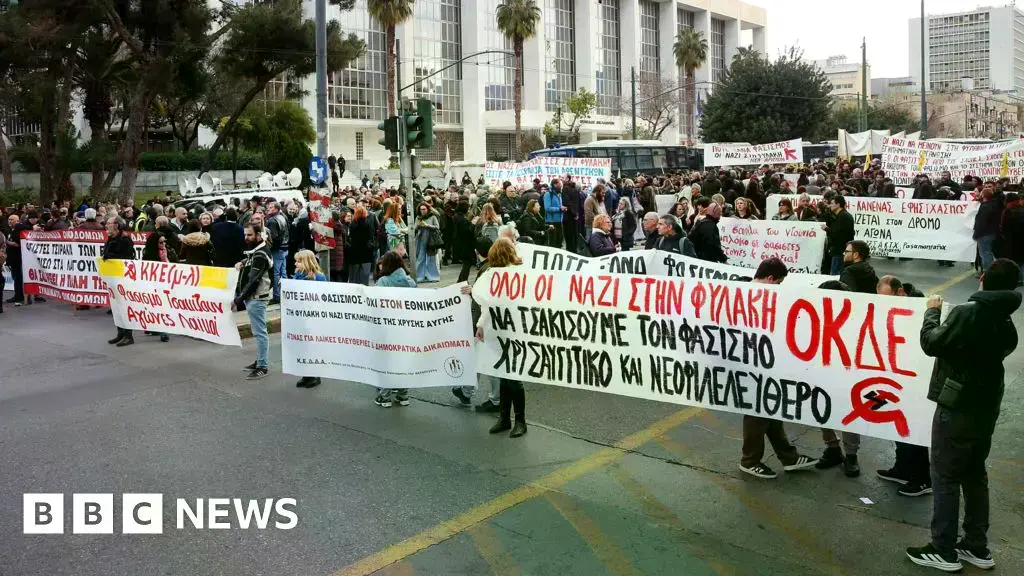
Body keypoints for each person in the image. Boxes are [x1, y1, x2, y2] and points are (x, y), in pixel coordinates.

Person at [906, 258, 1021, 572]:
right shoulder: (1005, 317)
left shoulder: (968, 313)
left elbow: (931, 343)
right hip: (985, 407)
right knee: (974, 474)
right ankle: (975, 545)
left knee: (944, 476)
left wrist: (931, 312)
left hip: (958, 405)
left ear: (982, 278)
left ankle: (943, 548)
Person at [739, 257, 819, 478]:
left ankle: (789, 457)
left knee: (770, 409)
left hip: (765, 363)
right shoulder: (755, 296)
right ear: (771, 278)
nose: (780, 288)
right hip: (754, 365)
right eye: (779, 283)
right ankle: (750, 460)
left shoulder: (744, 291)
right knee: (757, 413)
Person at [875, 276, 932, 497]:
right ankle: (902, 468)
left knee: (912, 431)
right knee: (898, 427)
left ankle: (922, 479)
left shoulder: (920, 309)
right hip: (895, 377)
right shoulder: (897, 306)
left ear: (900, 293)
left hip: (912, 380)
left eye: (887, 298)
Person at [475, 238, 528, 438]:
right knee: (504, 375)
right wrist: (481, 325)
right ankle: (505, 418)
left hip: (512, 331)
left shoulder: (516, 275)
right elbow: (487, 305)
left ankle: (520, 421)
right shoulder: (492, 275)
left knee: (513, 377)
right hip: (501, 331)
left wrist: (480, 326)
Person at [372, 251, 417, 408]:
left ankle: (384, 397)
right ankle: (403, 395)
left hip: (387, 328)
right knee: (401, 361)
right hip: (405, 329)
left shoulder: (383, 281)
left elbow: (375, 304)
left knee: (386, 362)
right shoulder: (410, 282)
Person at [235, 223, 273, 380]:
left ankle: (262, 366)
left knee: (260, 333)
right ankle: (260, 361)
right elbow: (251, 258)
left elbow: (254, 281)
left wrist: (240, 298)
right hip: (255, 298)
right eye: (245, 235)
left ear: (258, 235)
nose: (246, 238)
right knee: (258, 332)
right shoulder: (257, 251)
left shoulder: (259, 254)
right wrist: (243, 262)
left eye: (249, 235)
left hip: (257, 298)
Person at [292, 249, 326, 388]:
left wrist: (313, 282)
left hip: (313, 318)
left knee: (312, 347)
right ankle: (306, 374)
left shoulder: (319, 277)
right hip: (301, 316)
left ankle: (315, 375)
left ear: (306, 262)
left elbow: (324, 296)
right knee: (303, 347)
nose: (296, 264)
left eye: (299, 261)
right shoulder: (298, 275)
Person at [102, 216, 137, 347]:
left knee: (124, 307)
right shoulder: (111, 237)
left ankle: (129, 335)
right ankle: (120, 333)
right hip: (113, 277)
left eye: (109, 223)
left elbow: (125, 257)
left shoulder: (125, 239)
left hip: (122, 277)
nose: (106, 225)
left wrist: (109, 256)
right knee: (116, 307)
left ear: (117, 225)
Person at [973, 181, 1002, 275]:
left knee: (985, 254)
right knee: (988, 253)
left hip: (984, 234)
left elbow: (981, 222)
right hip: (991, 233)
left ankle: (987, 272)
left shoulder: (985, 207)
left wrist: (976, 234)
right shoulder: (993, 204)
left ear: (984, 196)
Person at [265, 202, 289, 303]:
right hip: (285, 248)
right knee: (283, 273)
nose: (268, 209)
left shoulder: (272, 220)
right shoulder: (282, 217)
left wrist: (271, 247)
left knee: (276, 273)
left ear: (276, 209)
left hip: (278, 249)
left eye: (271, 207)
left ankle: (277, 296)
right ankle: (287, 294)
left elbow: (273, 237)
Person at [825, 194, 855, 275]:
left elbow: (837, 234)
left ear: (838, 204)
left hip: (839, 251)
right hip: (840, 250)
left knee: (835, 275)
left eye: (832, 203)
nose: (830, 206)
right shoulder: (842, 215)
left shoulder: (843, 216)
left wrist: (826, 229)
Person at [346, 205, 375, 285]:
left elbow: (350, 237)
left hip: (354, 251)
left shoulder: (352, 224)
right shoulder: (368, 224)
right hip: (366, 251)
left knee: (354, 277)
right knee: (364, 276)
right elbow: (370, 236)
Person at [413, 203, 441, 283]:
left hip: (430, 240)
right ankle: (419, 277)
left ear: (427, 209)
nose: (423, 211)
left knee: (431, 258)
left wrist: (427, 225)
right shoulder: (418, 217)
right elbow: (415, 228)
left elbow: (437, 227)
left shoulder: (433, 216)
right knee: (420, 258)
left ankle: (433, 276)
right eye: (421, 209)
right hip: (420, 239)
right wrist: (418, 225)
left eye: (424, 209)